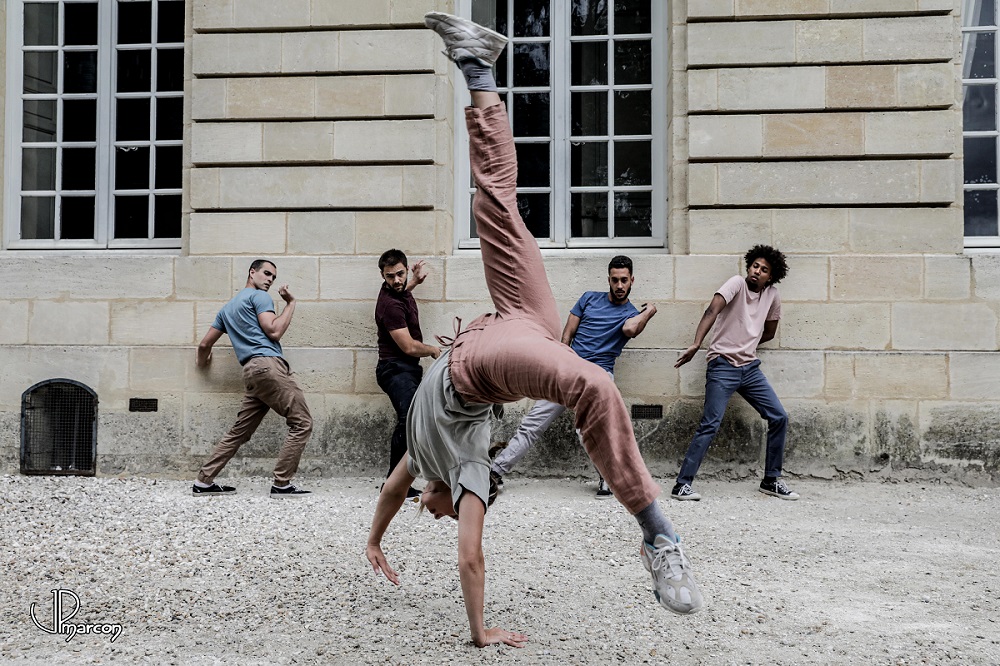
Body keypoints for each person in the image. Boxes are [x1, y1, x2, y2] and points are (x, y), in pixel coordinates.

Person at [366, 12, 702, 650]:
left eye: (425, 511)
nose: (428, 514)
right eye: (437, 513)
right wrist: (478, 632)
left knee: (493, 202)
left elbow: (390, 493)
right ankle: (658, 533)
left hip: (511, 326)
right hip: (496, 358)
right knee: (593, 387)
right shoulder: (465, 471)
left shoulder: (421, 459)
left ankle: (478, 67)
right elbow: (470, 558)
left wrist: (375, 541)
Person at [490, 255, 657, 499]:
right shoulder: (589, 298)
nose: (619, 286)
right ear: (608, 280)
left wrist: (649, 311)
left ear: (632, 280)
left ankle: (608, 479)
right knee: (532, 424)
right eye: (614, 280)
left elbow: (630, 330)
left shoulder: (631, 314)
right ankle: (495, 471)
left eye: (624, 280)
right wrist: (560, 363)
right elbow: (567, 334)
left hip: (597, 376)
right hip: (568, 369)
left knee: (589, 432)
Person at [671, 245, 798, 502]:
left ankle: (771, 480)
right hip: (722, 365)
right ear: (749, 266)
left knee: (779, 417)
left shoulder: (772, 295)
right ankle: (682, 484)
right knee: (710, 423)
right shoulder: (736, 284)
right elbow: (712, 310)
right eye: (754, 266)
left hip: (750, 368)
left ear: (770, 276)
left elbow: (770, 332)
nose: (757, 272)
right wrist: (697, 344)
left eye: (763, 270)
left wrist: (746, 343)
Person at [192, 259, 313, 498]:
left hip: (251, 372)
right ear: (252, 272)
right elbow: (274, 330)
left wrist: (202, 362)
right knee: (302, 423)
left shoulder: (226, 309)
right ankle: (282, 484)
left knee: (239, 432)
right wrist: (291, 303)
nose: (269, 279)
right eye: (266, 274)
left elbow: (205, 344)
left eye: (273, 277)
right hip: (268, 367)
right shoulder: (259, 297)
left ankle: (203, 482)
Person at [374, 250, 441, 501]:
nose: (397, 280)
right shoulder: (389, 305)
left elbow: (402, 290)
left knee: (414, 421)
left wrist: (415, 281)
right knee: (408, 420)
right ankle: (393, 485)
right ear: (382, 275)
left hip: (407, 369)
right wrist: (434, 350)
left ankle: (402, 481)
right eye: (390, 276)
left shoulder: (398, 291)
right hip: (394, 370)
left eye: (400, 274)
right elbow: (409, 347)